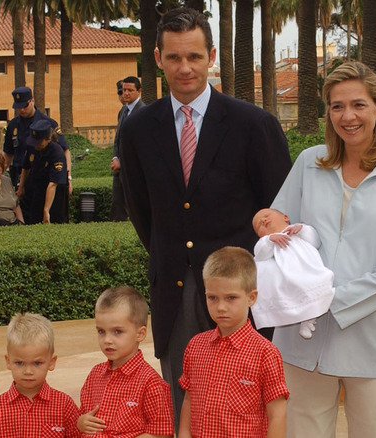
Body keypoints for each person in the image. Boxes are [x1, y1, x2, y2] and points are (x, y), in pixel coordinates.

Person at [118, 7, 292, 424]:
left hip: (239, 292)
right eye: (174, 57)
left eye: (194, 57)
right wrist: (173, 252)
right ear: (157, 59)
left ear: (211, 55)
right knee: (185, 405)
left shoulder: (254, 125)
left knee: (246, 408)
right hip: (174, 288)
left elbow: (280, 210)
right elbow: (142, 212)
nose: (185, 68)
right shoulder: (137, 130)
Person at [270, 61, 376, 438]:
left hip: (372, 342)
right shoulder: (309, 162)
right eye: (337, 106)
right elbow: (279, 227)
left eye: (358, 104)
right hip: (301, 341)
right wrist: (270, 229)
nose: (347, 116)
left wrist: (332, 299)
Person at [178, 246, 289, 438]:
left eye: (231, 298)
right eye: (212, 297)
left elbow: (277, 414)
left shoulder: (265, 353)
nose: (221, 307)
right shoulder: (195, 346)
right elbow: (189, 400)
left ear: (251, 297)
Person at [77, 286, 174, 437]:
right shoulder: (95, 375)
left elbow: (162, 434)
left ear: (140, 334)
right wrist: (81, 422)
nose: (107, 340)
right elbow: (83, 414)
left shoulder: (151, 383)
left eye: (117, 332)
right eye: (101, 331)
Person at [0, 312, 81, 438]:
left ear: (51, 362)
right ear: (8, 362)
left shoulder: (64, 405)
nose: (28, 371)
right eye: (19, 363)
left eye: (37, 363)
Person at [250, 208, 334, 339]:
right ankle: (303, 318)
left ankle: (309, 319)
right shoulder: (267, 242)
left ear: (285, 217)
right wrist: (269, 240)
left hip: (307, 269)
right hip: (287, 275)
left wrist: (302, 229)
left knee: (316, 284)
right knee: (291, 292)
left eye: (266, 216)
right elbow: (260, 254)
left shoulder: (297, 232)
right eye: (258, 225)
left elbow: (315, 241)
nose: (263, 220)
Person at [3, 86, 72, 193]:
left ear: (32, 101)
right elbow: (8, 154)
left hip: (42, 177)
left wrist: (68, 177)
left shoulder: (48, 123)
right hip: (19, 176)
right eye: (18, 106)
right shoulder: (13, 125)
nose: (21, 110)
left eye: (25, 106)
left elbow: (65, 150)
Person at [16, 119, 68, 224]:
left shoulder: (56, 152)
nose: (36, 145)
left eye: (39, 142)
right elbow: (26, 167)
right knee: (34, 220)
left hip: (55, 194)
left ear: (48, 139)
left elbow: (53, 184)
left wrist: (46, 210)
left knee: (54, 221)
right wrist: (21, 187)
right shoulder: (32, 147)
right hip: (37, 188)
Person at [109, 76, 145, 222]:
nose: (126, 93)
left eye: (130, 90)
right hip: (119, 170)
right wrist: (115, 157)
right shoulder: (123, 111)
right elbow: (118, 139)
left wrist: (123, 162)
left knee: (135, 209)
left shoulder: (143, 112)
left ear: (138, 91)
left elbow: (140, 145)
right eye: (124, 90)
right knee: (117, 207)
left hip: (134, 170)